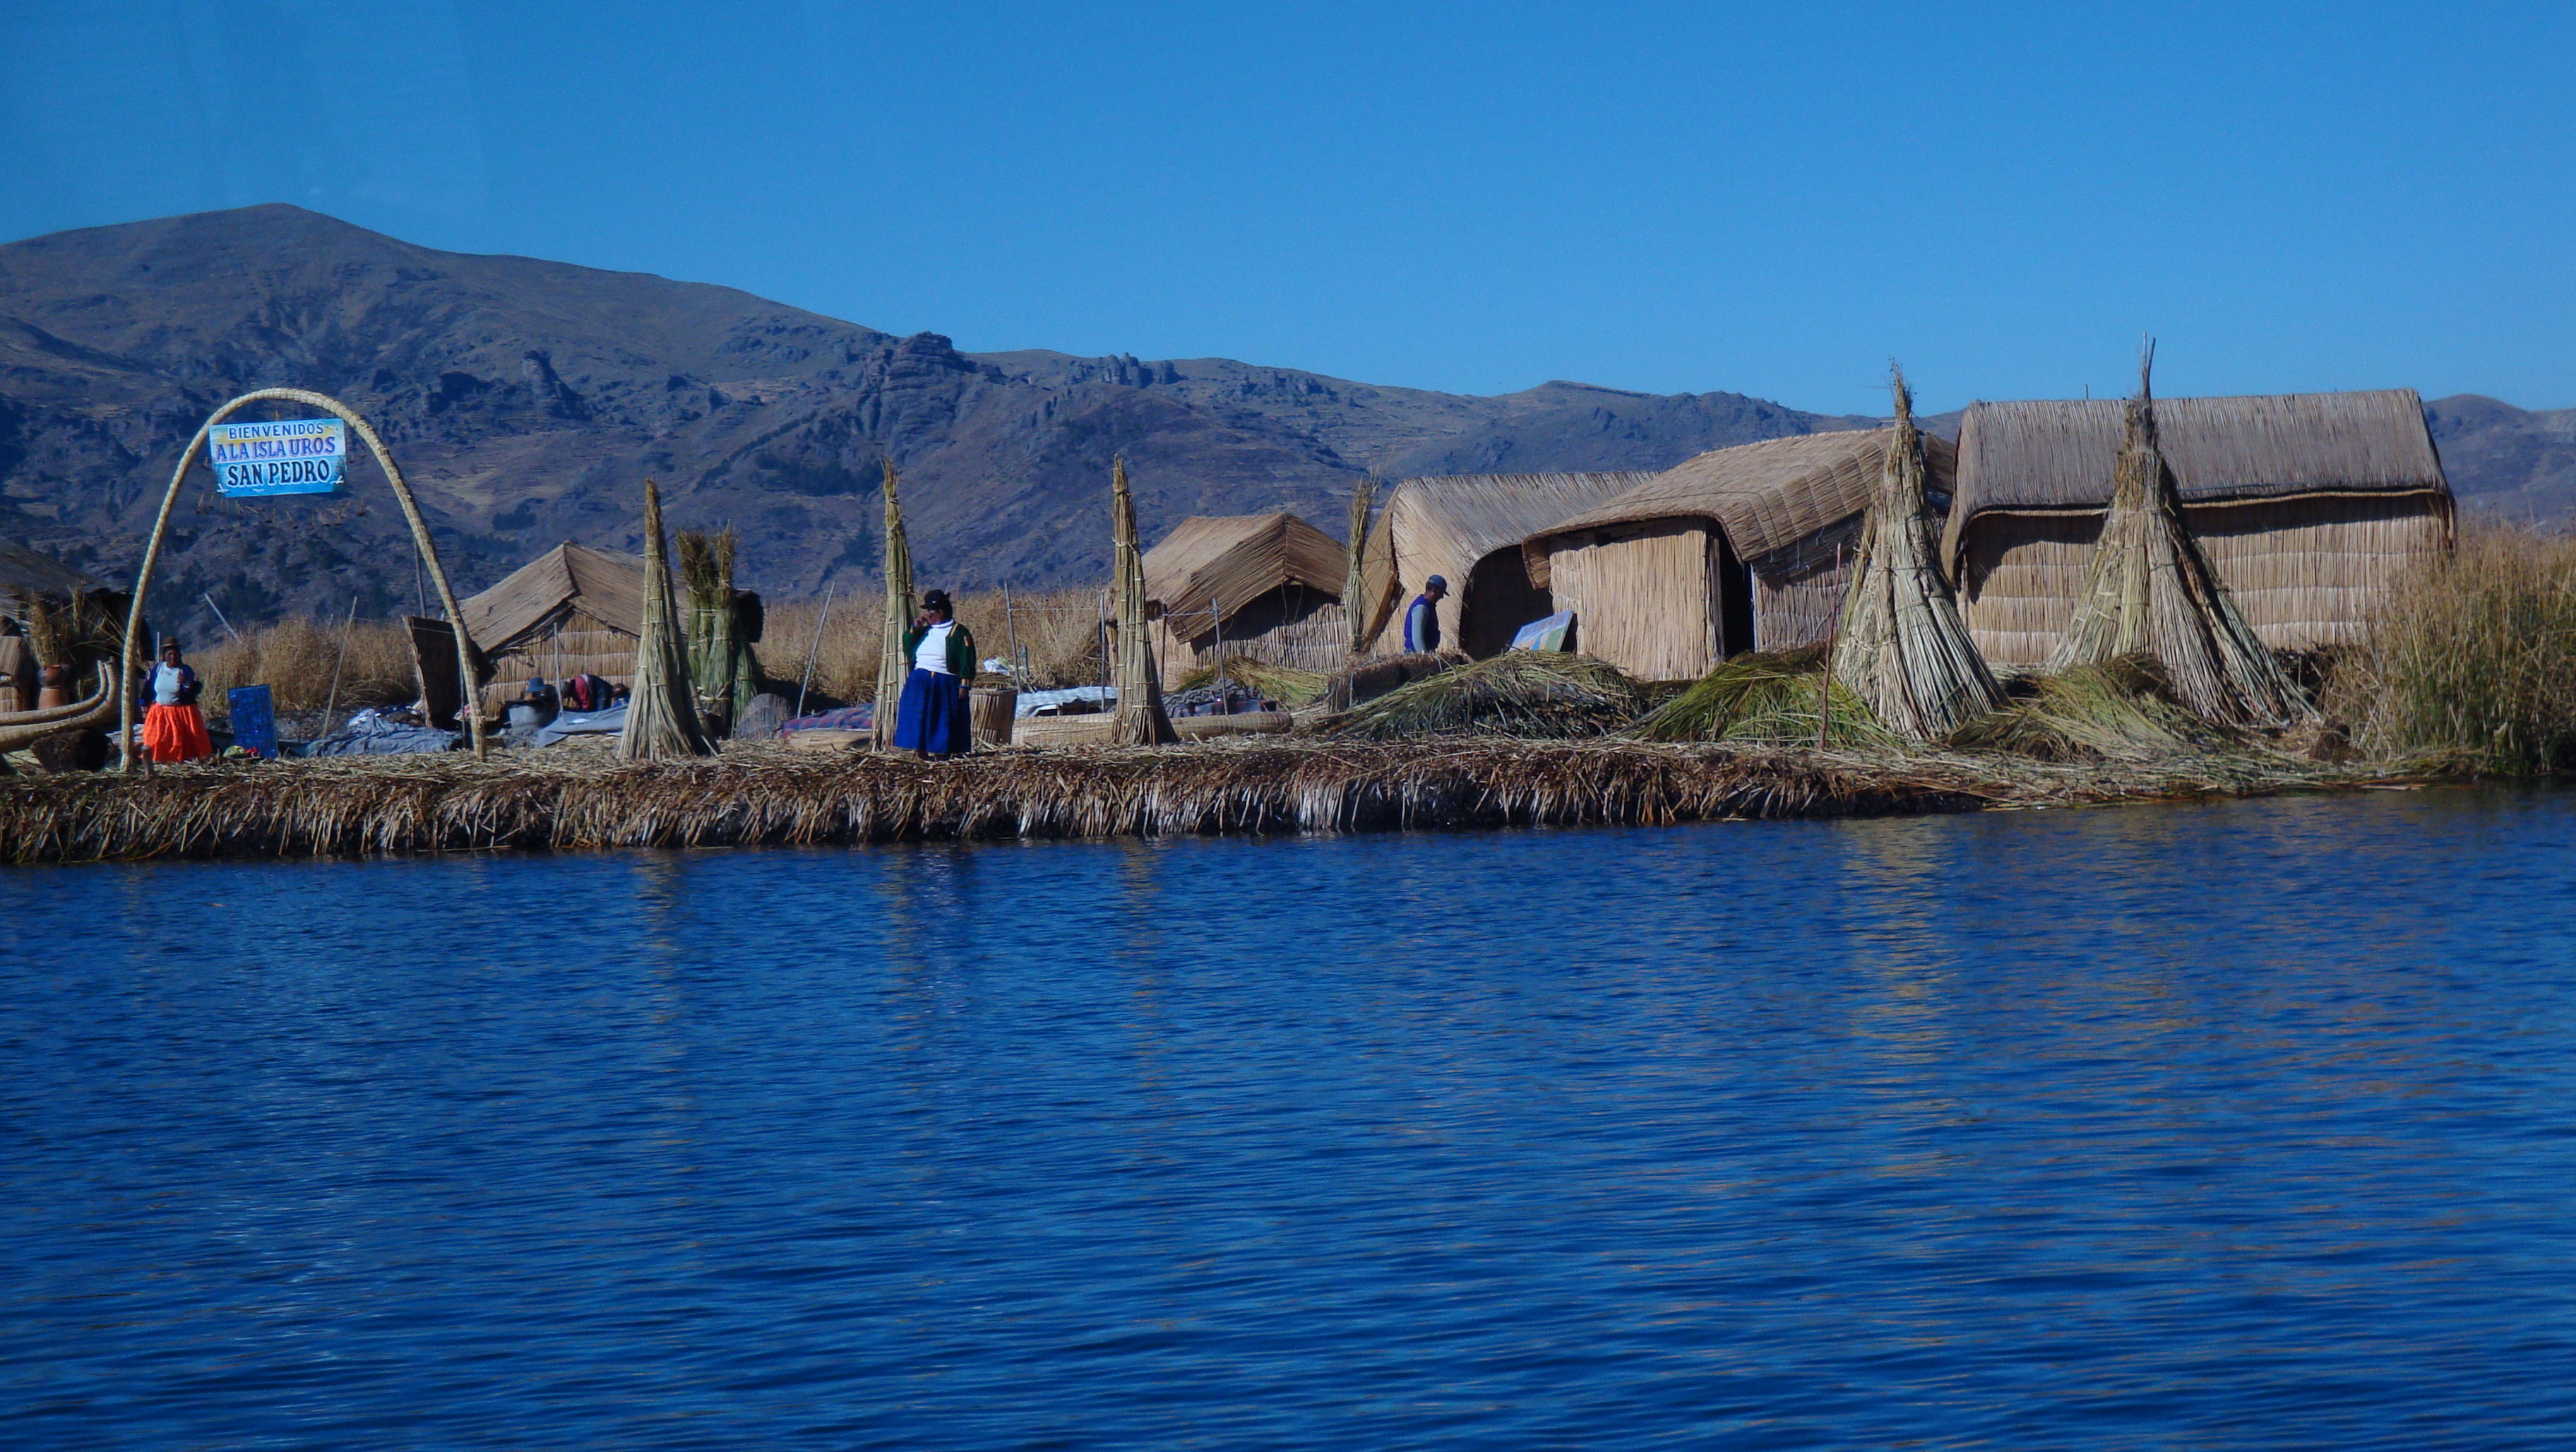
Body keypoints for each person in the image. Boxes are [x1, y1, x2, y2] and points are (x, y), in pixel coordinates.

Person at [894, 589, 977, 760]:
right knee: (918, 717)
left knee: (942, 719)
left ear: (941, 612)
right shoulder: (925, 632)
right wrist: (915, 628)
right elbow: (908, 647)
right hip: (920, 680)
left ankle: (942, 754)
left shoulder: (959, 633)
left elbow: (967, 658)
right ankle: (921, 753)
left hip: (945, 680)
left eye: (930, 612)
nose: (927, 615)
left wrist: (964, 684)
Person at [141, 639, 213, 764]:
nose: (173, 657)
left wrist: (186, 682)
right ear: (164, 656)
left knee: (178, 741)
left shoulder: (185, 670)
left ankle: (178, 761)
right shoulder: (157, 669)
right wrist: (143, 703)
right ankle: (158, 760)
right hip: (160, 712)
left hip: (180, 713)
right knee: (156, 739)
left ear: (180, 656)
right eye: (169, 654)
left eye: (175, 654)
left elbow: (193, 691)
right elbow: (149, 688)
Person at [1403, 574, 1448, 654]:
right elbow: (1417, 638)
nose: (1441, 597)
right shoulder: (1421, 608)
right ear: (1434, 591)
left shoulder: (1429, 606)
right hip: (1416, 655)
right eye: (1441, 593)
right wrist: (1425, 658)